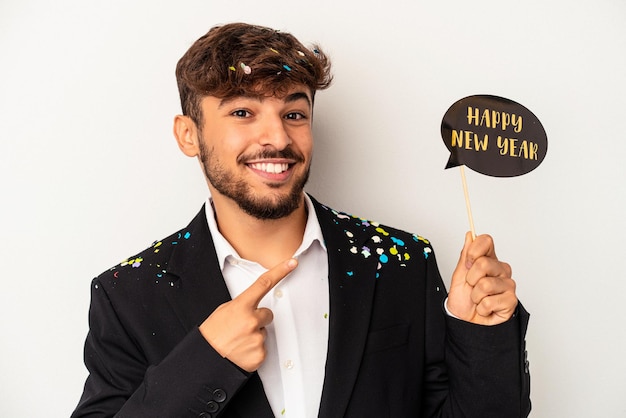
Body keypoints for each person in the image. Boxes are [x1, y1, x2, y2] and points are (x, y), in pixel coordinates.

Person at [72, 23, 531, 417]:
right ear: (189, 135)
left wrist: (482, 336)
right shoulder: (126, 295)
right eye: (242, 112)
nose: (276, 137)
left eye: (294, 113)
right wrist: (206, 361)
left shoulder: (401, 262)